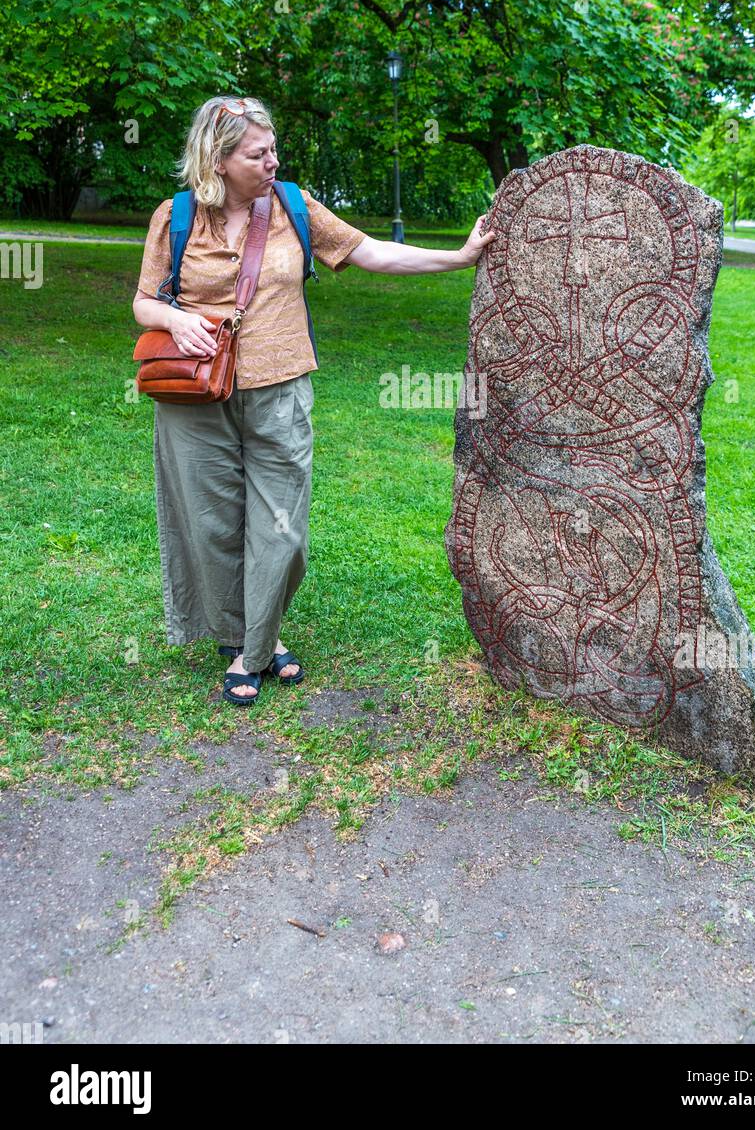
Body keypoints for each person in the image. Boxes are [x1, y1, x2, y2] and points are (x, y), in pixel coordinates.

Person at [132, 94, 495, 705]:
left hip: (280, 390)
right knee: (211, 523)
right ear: (218, 159)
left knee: (283, 529)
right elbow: (144, 300)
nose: (273, 161)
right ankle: (249, 646)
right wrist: (174, 319)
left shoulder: (294, 207)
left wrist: (458, 257)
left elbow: (372, 252)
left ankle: (256, 637)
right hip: (195, 394)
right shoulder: (177, 216)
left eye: (274, 149)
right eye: (257, 153)